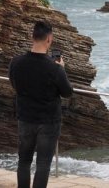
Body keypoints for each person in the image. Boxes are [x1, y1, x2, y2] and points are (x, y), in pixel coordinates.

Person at [9, 21, 73, 188]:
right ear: (49, 39)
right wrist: (62, 69)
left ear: (32, 37)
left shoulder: (16, 62)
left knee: (23, 160)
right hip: (48, 122)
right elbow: (67, 92)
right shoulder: (55, 69)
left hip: (25, 118)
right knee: (43, 164)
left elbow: (14, 84)